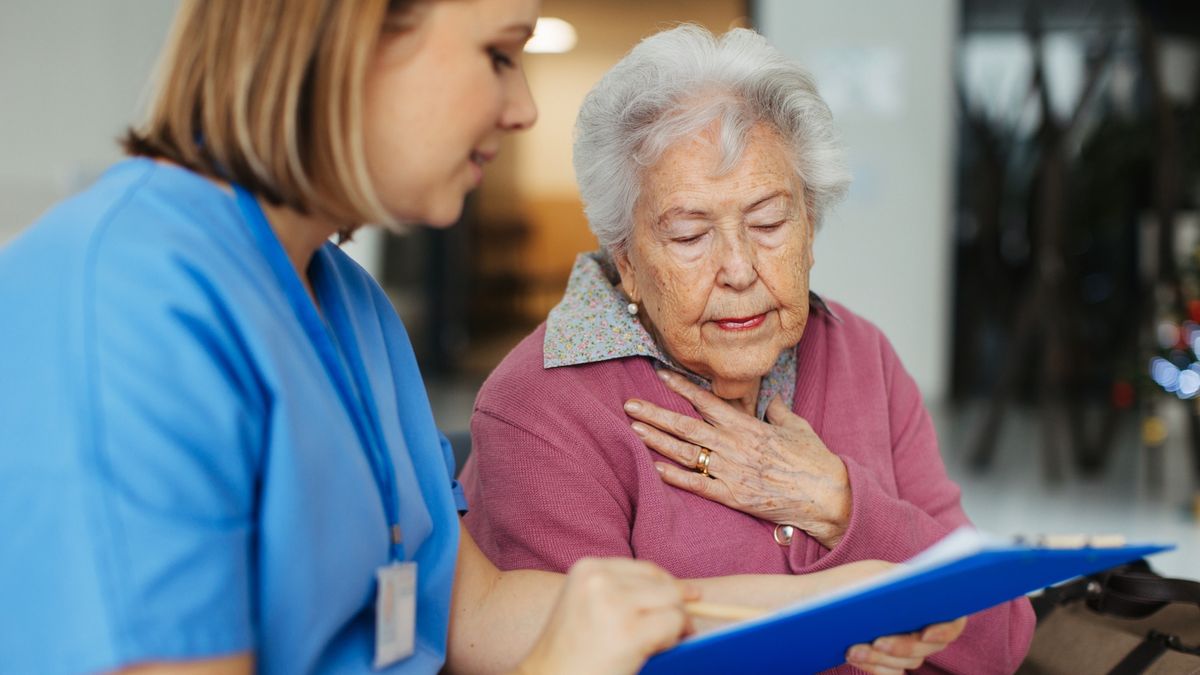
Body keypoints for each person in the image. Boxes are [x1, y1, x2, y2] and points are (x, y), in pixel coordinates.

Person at [0, 3, 964, 675]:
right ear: (353, 40)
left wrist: (852, 594)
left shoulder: (350, 306)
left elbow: (474, 614)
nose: (524, 107)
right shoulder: (122, 301)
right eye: (500, 54)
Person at [459, 24, 1036, 674]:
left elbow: (1002, 636)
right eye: (689, 235)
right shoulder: (541, 410)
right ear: (626, 259)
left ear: (811, 226)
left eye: (768, 222)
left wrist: (839, 505)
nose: (738, 268)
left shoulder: (862, 356)